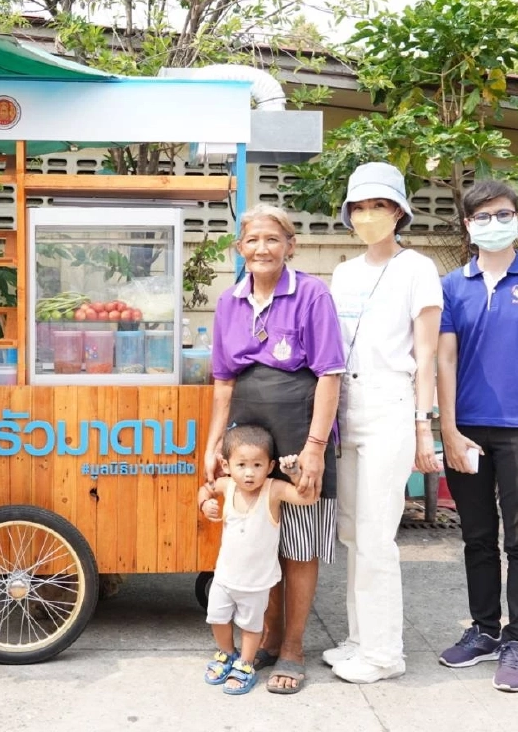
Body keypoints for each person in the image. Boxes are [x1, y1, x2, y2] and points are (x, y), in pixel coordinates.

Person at [436, 180, 518, 692]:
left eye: (504, 213)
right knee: (475, 535)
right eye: (483, 216)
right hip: (467, 427)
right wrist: (447, 427)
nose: (494, 223)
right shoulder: (452, 286)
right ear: (468, 224)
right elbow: (444, 358)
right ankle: (484, 630)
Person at [204, 204, 345, 695]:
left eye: (272, 239)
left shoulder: (311, 293)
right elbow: (222, 380)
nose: (261, 248)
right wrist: (212, 445)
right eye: (252, 240)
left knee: (300, 544)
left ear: (290, 245)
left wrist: (314, 448)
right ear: (240, 249)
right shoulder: (229, 301)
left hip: (300, 425)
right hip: (248, 434)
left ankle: (292, 647)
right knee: (261, 541)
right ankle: (265, 639)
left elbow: (329, 374)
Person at [325, 161, 443, 684]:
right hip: (345, 403)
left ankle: (384, 654)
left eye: (379, 206)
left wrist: (424, 425)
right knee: (352, 531)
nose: (369, 215)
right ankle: (359, 638)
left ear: (399, 212)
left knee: (377, 534)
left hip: (391, 404)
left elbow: (427, 353)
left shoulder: (418, 268)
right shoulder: (344, 273)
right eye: (360, 207)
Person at [199, 425, 320, 696]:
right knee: (217, 618)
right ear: (226, 465)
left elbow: (308, 497)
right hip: (224, 578)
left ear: (270, 466)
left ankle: (245, 665)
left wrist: (294, 473)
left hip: (256, 583)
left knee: (252, 628)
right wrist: (204, 504)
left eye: (257, 464)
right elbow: (205, 490)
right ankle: (226, 654)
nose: (250, 472)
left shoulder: (273, 490)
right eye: (241, 464)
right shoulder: (226, 485)